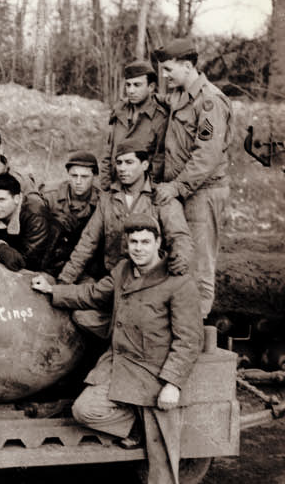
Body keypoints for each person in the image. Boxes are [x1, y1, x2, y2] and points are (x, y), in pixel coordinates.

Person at [31, 214, 202, 484]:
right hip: (120, 363)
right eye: (133, 242)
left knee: (162, 449)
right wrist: (54, 290)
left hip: (155, 371)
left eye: (144, 242)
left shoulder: (178, 283)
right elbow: (95, 294)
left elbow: (189, 339)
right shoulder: (124, 270)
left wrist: (173, 383)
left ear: (158, 244)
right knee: (85, 410)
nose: (138, 249)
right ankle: (134, 427)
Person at [57, 141, 192, 338]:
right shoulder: (108, 199)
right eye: (119, 163)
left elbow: (180, 237)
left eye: (129, 162)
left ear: (145, 165)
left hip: (149, 284)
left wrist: (181, 258)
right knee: (81, 316)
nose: (122, 168)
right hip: (114, 283)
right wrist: (64, 280)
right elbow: (87, 243)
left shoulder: (161, 199)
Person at [154, 37, 232, 320]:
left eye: (168, 70)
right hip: (184, 191)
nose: (164, 76)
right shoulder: (180, 96)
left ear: (187, 67)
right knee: (179, 255)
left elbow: (206, 156)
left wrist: (176, 187)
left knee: (199, 263)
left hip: (203, 192)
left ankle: (195, 328)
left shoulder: (209, 102)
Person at [100, 60, 168, 188]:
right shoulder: (119, 112)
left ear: (151, 87)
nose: (131, 90)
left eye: (137, 85)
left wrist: (146, 192)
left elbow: (159, 161)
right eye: (128, 85)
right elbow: (108, 154)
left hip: (142, 191)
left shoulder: (160, 118)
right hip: (114, 188)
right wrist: (105, 188)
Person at [42, 151, 101, 277]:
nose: (78, 182)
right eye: (74, 176)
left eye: (84, 177)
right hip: (50, 256)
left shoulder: (102, 202)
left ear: (94, 176)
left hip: (83, 259)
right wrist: (52, 221)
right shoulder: (49, 195)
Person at [0, 172, 51, 272]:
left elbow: (25, 263)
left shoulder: (35, 217)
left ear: (16, 199)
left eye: (1, 200)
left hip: (48, 268)